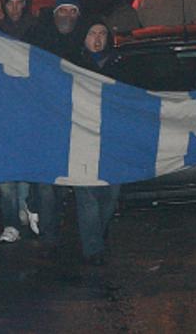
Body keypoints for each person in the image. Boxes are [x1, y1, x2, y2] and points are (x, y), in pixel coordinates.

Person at [66, 19, 122, 265]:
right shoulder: (72, 65)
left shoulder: (119, 65)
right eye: (92, 33)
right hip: (82, 137)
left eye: (102, 34)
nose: (97, 39)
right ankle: (93, 249)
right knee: (87, 194)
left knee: (111, 194)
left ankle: (96, 236)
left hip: (111, 139)